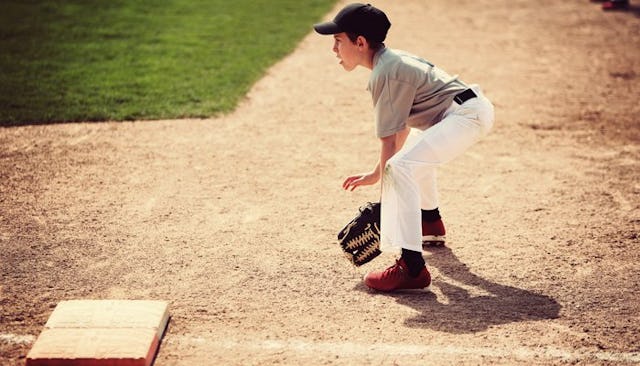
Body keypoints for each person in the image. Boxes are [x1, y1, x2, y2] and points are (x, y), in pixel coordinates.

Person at [314, 3, 495, 292]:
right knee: (411, 156)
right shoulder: (390, 62)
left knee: (401, 168)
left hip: (465, 117)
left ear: (360, 42)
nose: (334, 48)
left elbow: (389, 142)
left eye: (338, 41)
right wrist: (377, 174)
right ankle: (430, 222)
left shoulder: (385, 72)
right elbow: (401, 130)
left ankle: (411, 267)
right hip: (466, 112)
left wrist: (388, 201)